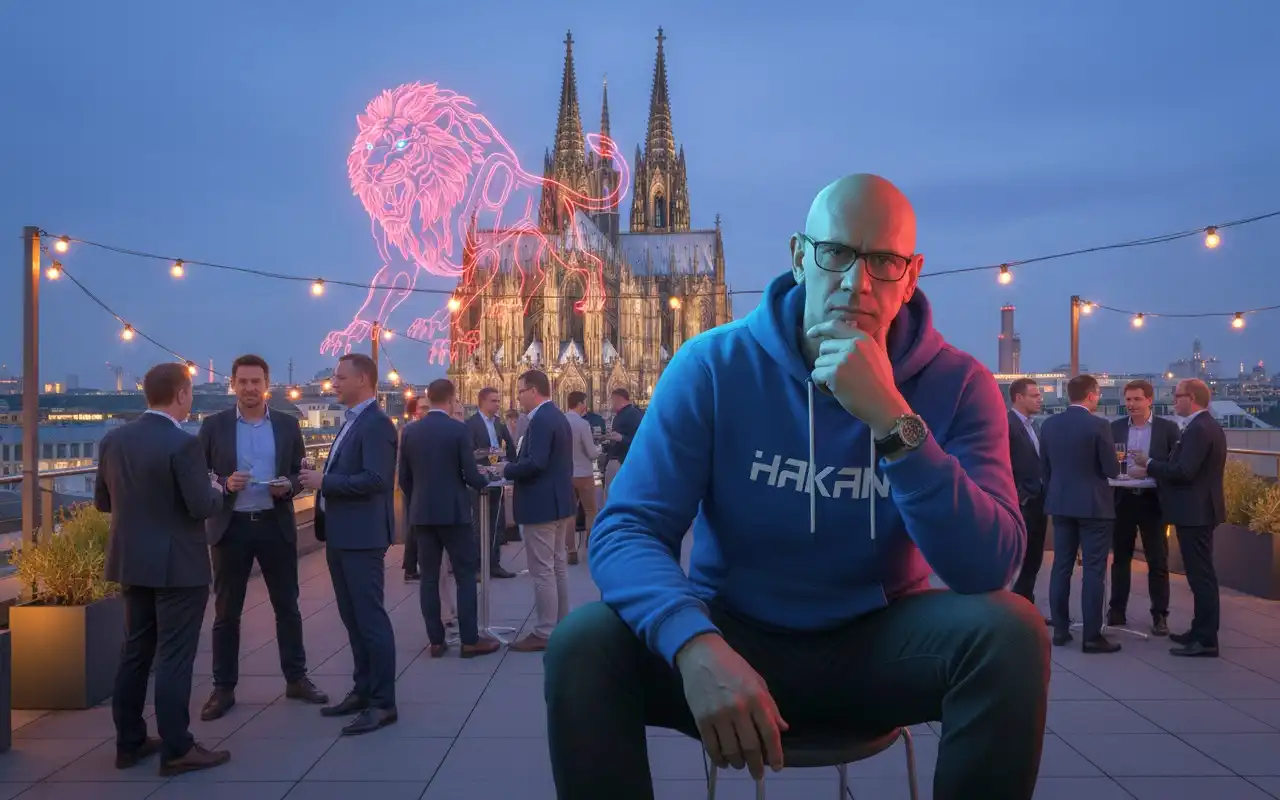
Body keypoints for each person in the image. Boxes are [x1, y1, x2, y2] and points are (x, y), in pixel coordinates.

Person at [546, 174, 1047, 800]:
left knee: (1012, 633)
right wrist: (692, 642)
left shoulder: (960, 383)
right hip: (730, 637)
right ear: (799, 255)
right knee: (581, 644)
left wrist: (893, 421)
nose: (858, 283)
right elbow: (626, 529)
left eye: (884, 262)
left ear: (911, 275)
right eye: (836, 252)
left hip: (880, 641)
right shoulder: (712, 366)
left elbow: (989, 567)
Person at [96, 362, 230, 776]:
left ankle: (129, 743)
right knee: (174, 656)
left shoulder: (113, 440)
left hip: (131, 560)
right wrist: (218, 489)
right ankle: (177, 748)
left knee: (135, 652)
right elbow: (200, 505)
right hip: (178, 566)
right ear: (181, 395)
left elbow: (103, 503)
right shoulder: (182, 444)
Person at [197, 354, 328, 722]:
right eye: (243, 382)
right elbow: (200, 473)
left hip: (275, 524)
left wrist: (287, 486)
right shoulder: (214, 426)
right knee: (226, 613)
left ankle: (296, 678)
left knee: (287, 607)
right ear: (233, 385)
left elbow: (297, 472)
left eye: (256, 382)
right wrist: (223, 484)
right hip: (231, 527)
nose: (250, 389)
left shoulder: (287, 425)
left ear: (266, 385)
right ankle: (223, 688)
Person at [300, 352, 399, 735]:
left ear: (362, 380)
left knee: (370, 619)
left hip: (362, 537)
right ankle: (363, 689)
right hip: (342, 534)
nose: (334, 383)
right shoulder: (353, 421)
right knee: (353, 618)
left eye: (341, 377)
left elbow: (376, 479)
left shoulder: (375, 424)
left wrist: (325, 483)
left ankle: (383, 702)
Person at [399, 379, 501, 658]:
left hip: (422, 514)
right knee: (466, 575)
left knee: (429, 578)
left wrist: (419, 500)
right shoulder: (458, 430)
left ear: (429, 398)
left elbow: (404, 479)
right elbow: (470, 475)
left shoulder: (411, 432)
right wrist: (485, 481)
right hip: (454, 514)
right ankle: (469, 640)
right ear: (453, 399)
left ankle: (436, 641)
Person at [1130, 378, 1225, 657]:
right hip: (1196, 511)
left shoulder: (1198, 429)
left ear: (1192, 398)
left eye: (1177, 396)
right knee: (1199, 575)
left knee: (1201, 576)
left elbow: (1183, 471)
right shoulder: (1203, 426)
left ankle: (1206, 639)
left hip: (1195, 512)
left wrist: (1148, 464)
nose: (1174, 401)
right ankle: (1199, 630)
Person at [1040, 373, 1121, 654]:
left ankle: (1061, 631)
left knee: (1061, 567)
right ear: (1091, 394)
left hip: (1060, 504)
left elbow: (1046, 469)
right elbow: (1111, 470)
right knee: (1094, 571)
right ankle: (1091, 636)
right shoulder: (1099, 425)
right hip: (1093, 507)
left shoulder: (1049, 425)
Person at [503, 368, 575, 653]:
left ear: (533, 390)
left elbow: (536, 463)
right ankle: (562, 623)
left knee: (543, 569)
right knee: (557, 566)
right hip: (559, 504)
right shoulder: (557, 415)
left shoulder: (541, 420)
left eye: (520, 391)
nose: (518, 397)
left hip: (541, 506)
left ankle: (545, 631)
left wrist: (506, 469)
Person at [1108, 379, 1179, 636]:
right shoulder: (1114, 429)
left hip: (1153, 501)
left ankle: (1160, 615)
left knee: (1157, 560)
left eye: (1137, 399)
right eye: (1128, 400)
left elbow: (1174, 467)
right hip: (1123, 499)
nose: (1131, 404)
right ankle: (1116, 610)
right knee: (1120, 559)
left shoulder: (1168, 430)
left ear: (1149, 400)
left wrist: (1147, 470)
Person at [1007, 377, 1048, 622]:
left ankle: (1026, 609)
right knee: (1019, 559)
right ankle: (1014, 612)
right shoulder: (1007, 424)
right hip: (1022, 503)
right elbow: (1003, 463)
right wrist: (1019, 495)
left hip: (1040, 502)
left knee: (1034, 558)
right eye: (1034, 395)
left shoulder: (1035, 427)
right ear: (1019, 397)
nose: (1040, 399)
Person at [466, 388, 518, 579]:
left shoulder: (499, 424)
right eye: (493, 401)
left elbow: (510, 448)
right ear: (482, 402)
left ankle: (494, 563)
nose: (497, 404)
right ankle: (478, 565)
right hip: (479, 480)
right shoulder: (471, 424)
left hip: (498, 479)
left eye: (498, 400)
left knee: (497, 521)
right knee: (479, 523)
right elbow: (468, 452)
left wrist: (509, 467)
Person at [565, 390, 601, 564]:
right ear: (580, 403)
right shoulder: (582, 424)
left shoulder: (561, 421)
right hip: (584, 474)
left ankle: (571, 550)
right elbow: (592, 453)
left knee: (569, 514)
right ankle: (591, 544)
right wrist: (600, 449)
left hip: (566, 474)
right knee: (590, 511)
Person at [601, 388, 642, 501]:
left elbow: (639, 439)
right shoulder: (623, 414)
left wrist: (621, 438)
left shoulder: (632, 414)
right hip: (619, 459)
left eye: (612, 400)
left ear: (618, 399)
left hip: (621, 461)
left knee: (613, 496)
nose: (611, 404)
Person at [401, 396, 423, 581]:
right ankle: (410, 566)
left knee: (414, 526)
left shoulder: (413, 429)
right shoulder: (409, 430)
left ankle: (411, 565)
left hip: (416, 487)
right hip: (414, 487)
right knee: (413, 527)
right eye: (422, 407)